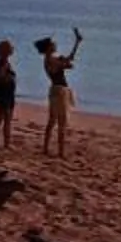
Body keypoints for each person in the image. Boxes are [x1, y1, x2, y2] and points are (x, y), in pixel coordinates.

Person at [36, 27, 84, 158]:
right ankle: (60, 152)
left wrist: (77, 43)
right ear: (48, 48)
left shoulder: (50, 59)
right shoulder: (51, 60)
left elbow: (68, 62)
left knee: (52, 121)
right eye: (53, 44)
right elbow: (68, 62)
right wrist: (76, 44)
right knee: (61, 122)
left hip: (56, 90)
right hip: (59, 91)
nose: (55, 45)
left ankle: (46, 148)